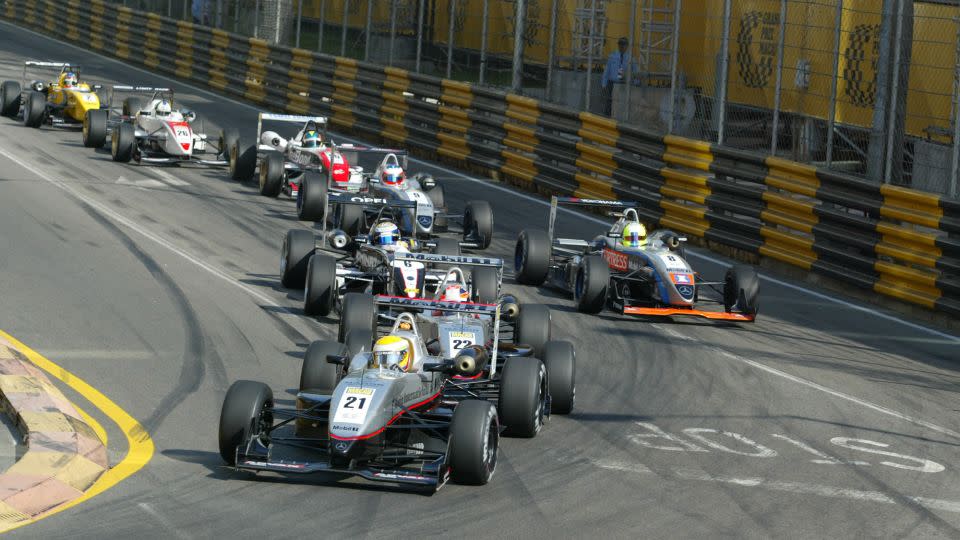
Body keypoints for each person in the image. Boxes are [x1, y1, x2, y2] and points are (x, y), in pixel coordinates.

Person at [601, 37, 639, 116]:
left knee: (622, 103)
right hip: (612, 83)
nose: (622, 46)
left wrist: (635, 84)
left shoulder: (631, 59)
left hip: (624, 84)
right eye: (620, 44)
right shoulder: (612, 56)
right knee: (609, 102)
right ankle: (607, 117)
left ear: (627, 46)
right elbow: (607, 71)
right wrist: (604, 84)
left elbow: (636, 72)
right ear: (618, 45)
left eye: (624, 44)